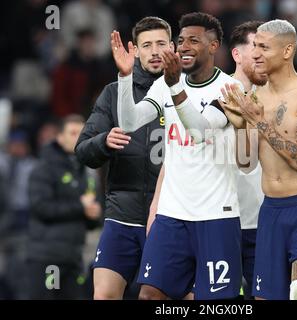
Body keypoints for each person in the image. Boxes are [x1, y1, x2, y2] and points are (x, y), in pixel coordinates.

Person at [114, 12, 242, 300]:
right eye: (181, 40)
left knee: (215, 304)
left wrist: (174, 86)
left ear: (214, 46)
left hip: (215, 216)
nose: (183, 46)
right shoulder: (163, 84)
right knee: (148, 294)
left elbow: (199, 132)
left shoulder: (232, 89)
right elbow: (129, 123)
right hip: (172, 215)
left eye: (193, 40)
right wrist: (125, 77)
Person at [221, 19, 297, 300]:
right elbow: (246, 163)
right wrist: (239, 126)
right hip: (270, 211)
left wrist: (259, 123)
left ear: (287, 51)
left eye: (263, 47)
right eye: (254, 46)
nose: (256, 53)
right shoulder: (255, 98)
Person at [75, 17, 172, 300]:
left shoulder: (185, 93)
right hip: (122, 215)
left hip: (169, 217)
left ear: (173, 47)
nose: (154, 51)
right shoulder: (115, 93)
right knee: (104, 295)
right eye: (147, 45)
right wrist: (103, 142)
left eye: (161, 44)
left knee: (157, 298)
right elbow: (83, 151)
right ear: (136, 50)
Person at [27, 114, 102, 299]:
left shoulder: (87, 171)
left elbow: (94, 215)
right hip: (49, 258)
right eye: (73, 132)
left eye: (82, 133)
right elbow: (40, 207)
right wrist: (80, 207)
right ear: (60, 137)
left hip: (74, 257)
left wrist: (94, 215)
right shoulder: (44, 168)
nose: (78, 137)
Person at [229, 20, 266, 299]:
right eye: (255, 46)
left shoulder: (277, 99)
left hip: (263, 221)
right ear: (237, 55)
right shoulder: (212, 93)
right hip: (219, 219)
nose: (261, 54)